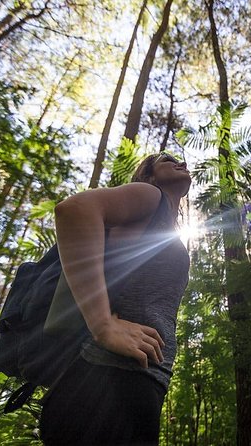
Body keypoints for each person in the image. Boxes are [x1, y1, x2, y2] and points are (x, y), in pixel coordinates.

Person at [40, 152, 192, 445]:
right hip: (103, 378)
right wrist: (103, 325)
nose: (181, 163)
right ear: (148, 175)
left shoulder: (165, 225)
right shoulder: (150, 195)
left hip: (141, 379)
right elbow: (74, 210)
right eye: (167, 159)